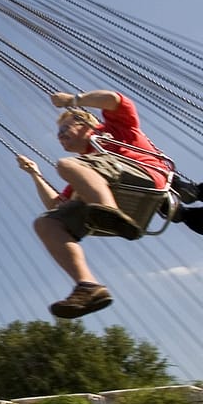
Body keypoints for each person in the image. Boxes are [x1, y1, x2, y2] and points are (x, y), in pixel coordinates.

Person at [17, 88, 200, 319]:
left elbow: (114, 100)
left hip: (143, 177)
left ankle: (108, 211)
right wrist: (35, 174)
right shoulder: (84, 172)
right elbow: (57, 205)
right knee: (45, 224)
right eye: (58, 134)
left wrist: (73, 100)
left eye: (65, 129)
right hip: (116, 194)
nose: (60, 136)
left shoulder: (114, 130)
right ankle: (88, 286)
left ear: (87, 124)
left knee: (66, 165)